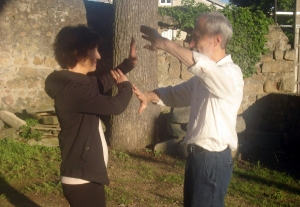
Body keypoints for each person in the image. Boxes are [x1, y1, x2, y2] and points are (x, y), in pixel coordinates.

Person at [133, 12, 244, 207]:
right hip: (198, 158)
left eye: (196, 37)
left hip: (213, 160)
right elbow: (175, 94)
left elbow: (205, 68)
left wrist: (164, 43)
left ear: (217, 39)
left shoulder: (231, 74)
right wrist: (148, 96)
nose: (191, 44)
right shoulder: (202, 80)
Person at [44, 25, 137, 207]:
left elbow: (103, 82)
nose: (99, 56)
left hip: (85, 173)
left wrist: (128, 64)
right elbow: (116, 106)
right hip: (81, 177)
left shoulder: (78, 84)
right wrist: (125, 86)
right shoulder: (73, 90)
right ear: (79, 54)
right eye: (94, 50)